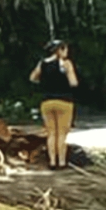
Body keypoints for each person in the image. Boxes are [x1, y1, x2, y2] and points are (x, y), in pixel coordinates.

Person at [29, 39, 79, 170]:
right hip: (64, 101)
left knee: (51, 133)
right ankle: (61, 162)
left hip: (47, 102)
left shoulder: (43, 63)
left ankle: (52, 162)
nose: (67, 52)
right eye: (65, 49)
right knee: (62, 134)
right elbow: (73, 82)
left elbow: (33, 78)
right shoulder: (66, 64)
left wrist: (46, 80)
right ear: (60, 50)